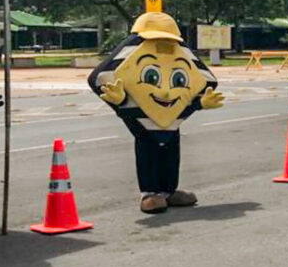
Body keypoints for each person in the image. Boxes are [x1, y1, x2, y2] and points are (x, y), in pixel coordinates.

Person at [87, 12, 224, 214]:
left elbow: (204, 79)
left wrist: (198, 103)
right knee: (148, 145)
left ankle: (168, 190)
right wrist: (122, 101)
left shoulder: (179, 49)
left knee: (171, 146)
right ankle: (149, 192)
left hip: (171, 113)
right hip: (141, 111)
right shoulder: (134, 47)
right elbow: (99, 77)